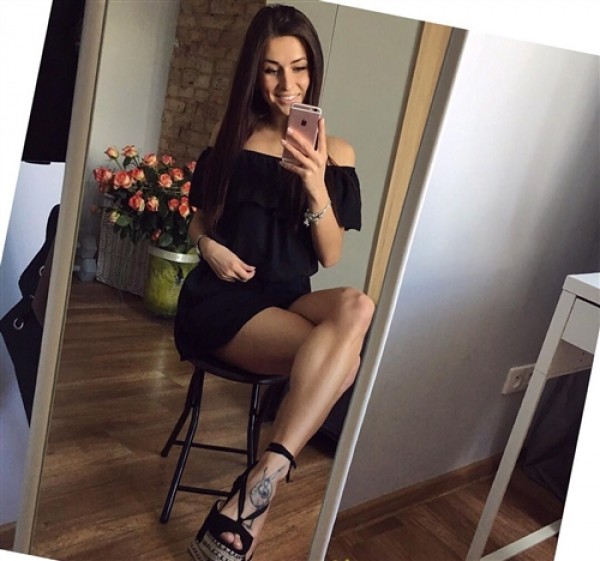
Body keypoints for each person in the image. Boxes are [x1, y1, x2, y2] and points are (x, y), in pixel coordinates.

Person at [174, 4, 375, 560]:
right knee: (344, 360)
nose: (288, 84)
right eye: (271, 69)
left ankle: (262, 474)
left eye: (300, 67)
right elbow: (199, 219)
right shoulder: (231, 138)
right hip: (223, 300)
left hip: (287, 299)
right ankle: (258, 499)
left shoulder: (337, 153)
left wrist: (316, 183)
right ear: (253, 73)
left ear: (314, 69)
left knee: (358, 307)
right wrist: (208, 246)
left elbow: (330, 257)